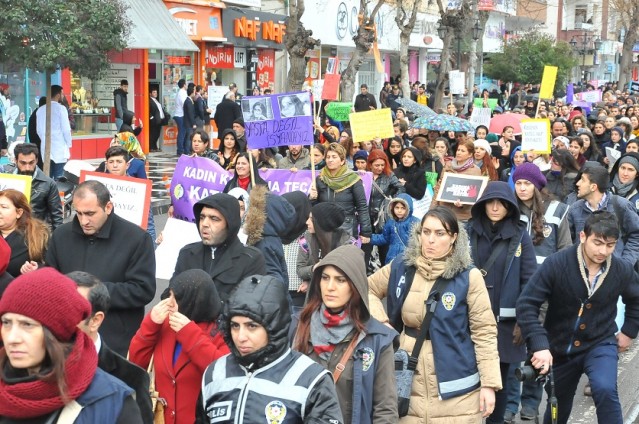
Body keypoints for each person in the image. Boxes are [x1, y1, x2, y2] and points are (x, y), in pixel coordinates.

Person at [368, 206, 502, 422]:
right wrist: (381, 321)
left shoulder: (469, 277)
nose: (431, 240)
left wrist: (489, 384)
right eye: (426, 232)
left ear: (454, 238)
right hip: (406, 379)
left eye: (440, 233)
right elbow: (366, 289)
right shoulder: (401, 266)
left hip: (457, 387)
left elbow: (484, 332)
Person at [516, 211, 639, 424]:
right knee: (558, 404)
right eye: (597, 243)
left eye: (610, 245)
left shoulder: (621, 269)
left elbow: (636, 299)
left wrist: (629, 331)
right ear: (583, 236)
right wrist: (539, 345)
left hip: (600, 341)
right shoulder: (557, 263)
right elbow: (527, 304)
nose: (603, 251)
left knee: (605, 388)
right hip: (559, 347)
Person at [28, 180, 156, 356]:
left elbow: (143, 290)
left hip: (114, 340)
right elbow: (52, 276)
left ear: (108, 207)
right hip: (66, 337)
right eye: (79, 213)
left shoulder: (136, 239)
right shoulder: (61, 235)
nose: (83, 221)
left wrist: (93, 293)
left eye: (90, 213)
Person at [0, 268, 143, 422]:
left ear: (57, 331)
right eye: (6, 322)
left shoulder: (112, 402)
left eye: (27, 325)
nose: (12, 338)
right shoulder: (5, 390)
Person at [197, 274, 344, 424]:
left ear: (274, 327)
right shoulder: (215, 373)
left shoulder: (310, 378)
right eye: (235, 326)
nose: (241, 337)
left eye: (251, 326)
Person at [292, 245, 397, 423]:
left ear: (355, 285)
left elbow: (385, 409)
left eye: (340, 280)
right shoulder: (298, 325)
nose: (330, 287)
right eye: (325, 278)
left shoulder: (377, 339)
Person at [467, 181, 538, 424]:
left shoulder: (520, 235)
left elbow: (529, 281)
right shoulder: (469, 231)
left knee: (499, 384)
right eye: (491, 202)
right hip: (469, 321)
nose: (495, 207)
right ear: (483, 204)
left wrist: (524, 321)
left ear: (510, 207)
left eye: (502, 203)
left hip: (505, 326)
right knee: (468, 382)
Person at [129, 269, 230, 424]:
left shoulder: (220, 331)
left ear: (193, 301)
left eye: (176, 298)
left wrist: (190, 334)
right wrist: (150, 324)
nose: (169, 302)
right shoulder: (165, 324)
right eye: (169, 295)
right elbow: (136, 364)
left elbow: (221, 373)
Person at [69, 271, 154, 424]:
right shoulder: (34, 366)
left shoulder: (132, 378)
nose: (58, 318)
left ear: (95, 320)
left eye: (71, 311)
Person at [173, 193, 266, 302]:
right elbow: (171, 294)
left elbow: (248, 305)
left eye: (214, 219)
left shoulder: (251, 259)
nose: (205, 224)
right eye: (202, 217)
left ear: (230, 224)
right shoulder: (187, 253)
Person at [567, 163, 639, 268]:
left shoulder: (621, 206)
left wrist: (625, 264)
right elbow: (567, 241)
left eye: (582, 180)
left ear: (593, 187)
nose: (578, 183)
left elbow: (636, 235)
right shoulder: (575, 209)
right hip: (582, 271)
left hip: (614, 272)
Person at [309, 143, 372, 242]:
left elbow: (362, 206)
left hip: (346, 228)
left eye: (334, 157)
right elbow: (315, 207)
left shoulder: (353, 179)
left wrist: (366, 232)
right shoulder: (320, 179)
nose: (330, 160)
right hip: (325, 227)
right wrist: (312, 198)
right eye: (328, 157)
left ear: (342, 161)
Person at [297, 203, 357, 293]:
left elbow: (352, 273)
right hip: (315, 294)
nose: (307, 222)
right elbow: (300, 270)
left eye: (311, 219)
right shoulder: (306, 240)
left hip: (339, 293)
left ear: (323, 222)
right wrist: (314, 268)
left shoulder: (348, 244)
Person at [2, 143, 63, 230]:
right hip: (10, 231)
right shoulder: (6, 180)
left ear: (36, 160)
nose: (27, 168)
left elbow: (56, 216)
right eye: (23, 163)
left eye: (31, 163)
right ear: (15, 160)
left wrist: (55, 237)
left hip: (36, 232)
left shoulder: (48, 184)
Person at [0, 189, 49, 277]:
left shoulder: (37, 235)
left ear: (19, 213)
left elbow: (50, 265)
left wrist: (36, 269)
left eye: (4, 207)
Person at [432, 139, 482, 222]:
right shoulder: (448, 165)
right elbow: (439, 188)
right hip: (444, 211)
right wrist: (432, 209)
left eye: (462, 151)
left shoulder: (475, 170)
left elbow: (473, 194)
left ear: (470, 154)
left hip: (462, 215)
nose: (458, 153)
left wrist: (463, 204)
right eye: (458, 150)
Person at [368, 193, 419, 265]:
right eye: (397, 207)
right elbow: (384, 238)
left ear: (408, 208)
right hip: (392, 259)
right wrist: (370, 239)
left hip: (407, 260)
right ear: (392, 208)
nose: (399, 211)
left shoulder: (414, 223)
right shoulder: (391, 222)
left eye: (403, 208)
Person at [36, 84, 72, 179]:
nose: (63, 96)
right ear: (58, 95)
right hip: (59, 148)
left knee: (47, 177)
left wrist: (44, 139)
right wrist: (68, 143)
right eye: (62, 94)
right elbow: (66, 129)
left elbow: (39, 131)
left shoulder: (40, 110)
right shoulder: (61, 109)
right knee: (59, 179)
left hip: (45, 148)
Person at [149, 87, 166, 152]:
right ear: (150, 94)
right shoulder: (150, 101)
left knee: (157, 134)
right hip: (154, 121)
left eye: (156, 92)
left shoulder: (156, 101)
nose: (155, 93)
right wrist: (152, 118)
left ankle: (155, 147)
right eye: (154, 92)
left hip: (159, 120)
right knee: (153, 134)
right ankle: (151, 147)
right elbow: (148, 111)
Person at [173, 79, 188, 156]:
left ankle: (182, 149)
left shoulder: (181, 92)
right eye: (186, 84)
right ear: (184, 85)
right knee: (182, 133)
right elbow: (184, 104)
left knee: (182, 133)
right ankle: (180, 150)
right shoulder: (182, 93)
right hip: (180, 115)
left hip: (180, 114)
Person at [182, 84, 196, 155]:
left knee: (188, 137)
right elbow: (190, 114)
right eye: (194, 92)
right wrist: (193, 123)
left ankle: (187, 151)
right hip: (188, 123)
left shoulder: (189, 101)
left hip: (187, 122)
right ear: (192, 92)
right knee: (188, 138)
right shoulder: (188, 101)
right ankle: (187, 152)